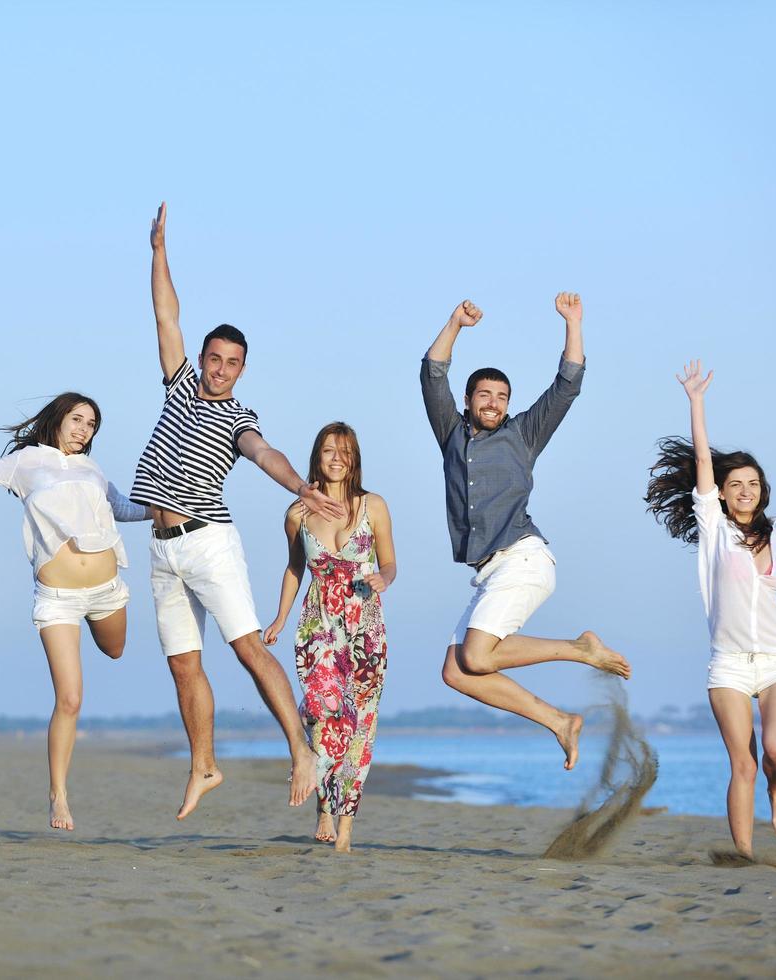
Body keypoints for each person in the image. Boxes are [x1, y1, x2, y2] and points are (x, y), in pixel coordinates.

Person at [132, 203, 349, 820]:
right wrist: (158, 252)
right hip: (162, 547)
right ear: (202, 360)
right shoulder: (178, 384)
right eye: (214, 359)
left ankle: (302, 752)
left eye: (232, 363)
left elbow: (265, 454)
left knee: (249, 650)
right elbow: (166, 313)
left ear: (242, 369)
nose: (221, 370)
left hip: (209, 542)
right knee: (183, 666)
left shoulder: (237, 418)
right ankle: (204, 764)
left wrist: (300, 487)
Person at [0, 385, 150, 831]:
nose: (84, 429)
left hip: (107, 589)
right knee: (71, 698)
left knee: (115, 651)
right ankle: (58, 795)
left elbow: (125, 509)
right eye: (77, 419)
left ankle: (103, 627)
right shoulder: (26, 462)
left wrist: (174, 507)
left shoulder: (93, 469)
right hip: (57, 599)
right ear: (57, 418)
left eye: (92, 424)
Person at [421, 295, 631, 770]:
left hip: (522, 558)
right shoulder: (451, 435)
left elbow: (566, 385)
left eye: (501, 397)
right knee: (457, 673)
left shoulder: (522, 435)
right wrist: (456, 323)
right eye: (485, 396)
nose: (494, 403)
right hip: (487, 571)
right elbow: (433, 372)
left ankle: (581, 649)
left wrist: (573, 322)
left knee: (476, 655)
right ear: (470, 401)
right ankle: (560, 721)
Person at [646, 360, 776, 857]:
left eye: (752, 483)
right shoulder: (715, 528)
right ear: (723, 494)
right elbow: (705, 471)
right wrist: (696, 402)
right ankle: (745, 857)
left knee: (775, 752)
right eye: (736, 484)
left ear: (762, 490)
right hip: (729, 664)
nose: (744, 490)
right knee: (743, 764)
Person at [263, 422, 396, 852]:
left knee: (360, 725)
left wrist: (383, 579)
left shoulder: (372, 505)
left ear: (354, 458)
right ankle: (324, 803)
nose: (336, 458)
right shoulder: (297, 514)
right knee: (324, 712)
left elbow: (391, 564)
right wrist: (280, 619)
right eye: (328, 451)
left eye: (344, 451)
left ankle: (346, 825)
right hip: (318, 624)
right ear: (316, 458)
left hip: (365, 627)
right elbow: (294, 568)